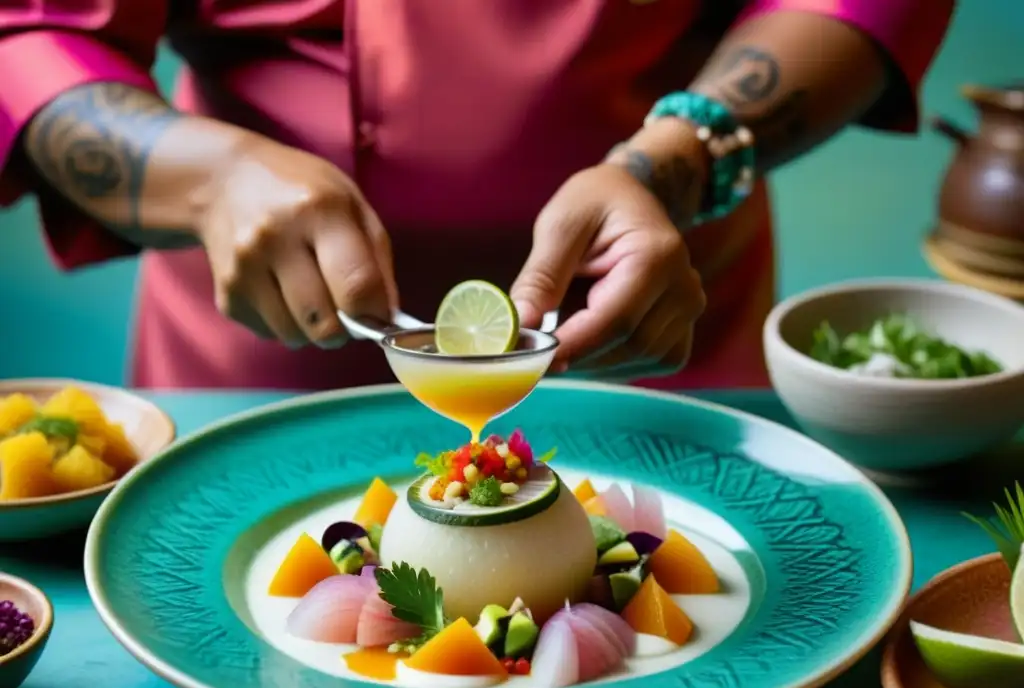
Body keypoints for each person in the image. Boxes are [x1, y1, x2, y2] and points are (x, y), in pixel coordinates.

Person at [0, 1, 952, 390]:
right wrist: (209, 181)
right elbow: (27, 32)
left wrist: (673, 160)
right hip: (255, 366)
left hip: (655, 330)